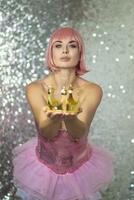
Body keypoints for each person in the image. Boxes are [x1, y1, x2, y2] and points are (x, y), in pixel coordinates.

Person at [13, 27, 115, 200]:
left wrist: (71, 119)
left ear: (80, 52)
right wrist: (55, 119)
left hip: (81, 170)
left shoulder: (92, 90)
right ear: (51, 52)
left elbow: (79, 133)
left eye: (72, 46)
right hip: (42, 170)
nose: (65, 50)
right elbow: (47, 132)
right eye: (58, 46)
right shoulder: (35, 88)